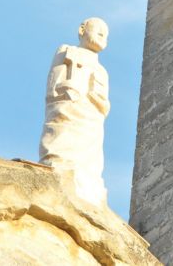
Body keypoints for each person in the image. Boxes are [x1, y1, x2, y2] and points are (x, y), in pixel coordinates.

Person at [39, 17, 110, 205]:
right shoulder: (67, 51)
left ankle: (88, 187)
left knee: (91, 149)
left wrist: (100, 102)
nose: (104, 35)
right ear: (82, 30)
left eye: (107, 34)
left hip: (91, 117)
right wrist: (65, 93)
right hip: (69, 107)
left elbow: (104, 103)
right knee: (61, 134)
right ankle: (58, 169)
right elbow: (54, 82)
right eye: (99, 30)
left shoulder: (102, 70)